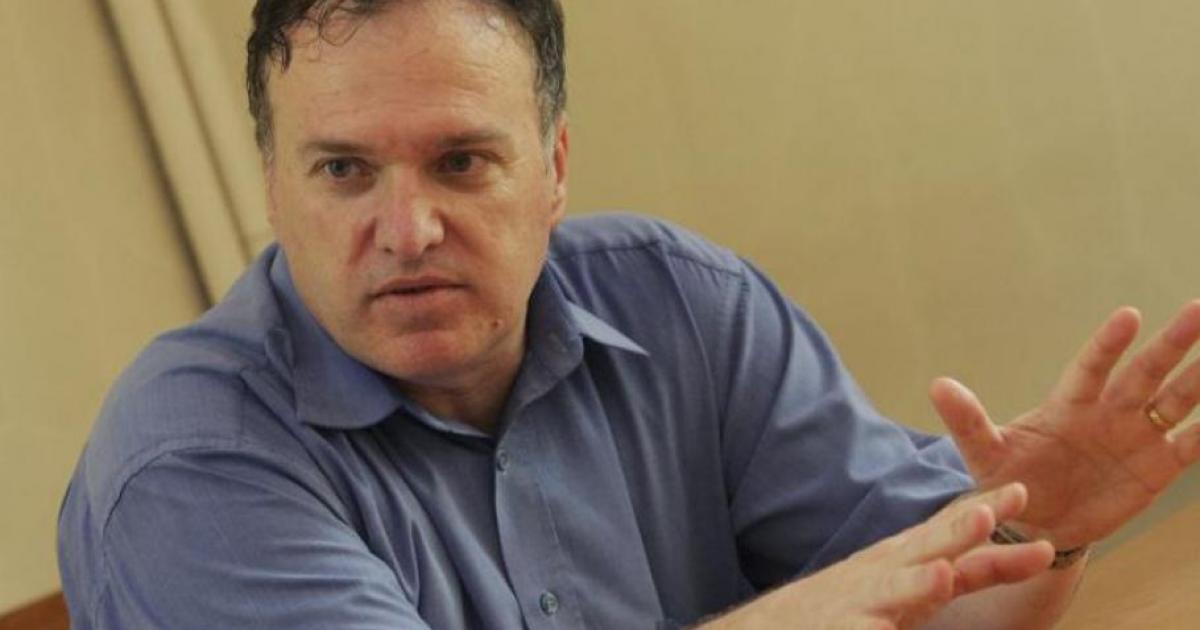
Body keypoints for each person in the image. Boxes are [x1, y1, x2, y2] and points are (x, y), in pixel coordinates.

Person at [57, 0, 1200, 628]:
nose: (406, 229)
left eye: (460, 161)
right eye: (344, 171)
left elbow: (928, 608)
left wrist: (1035, 532)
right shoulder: (187, 460)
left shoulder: (682, 303)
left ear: (554, 169)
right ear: (274, 188)